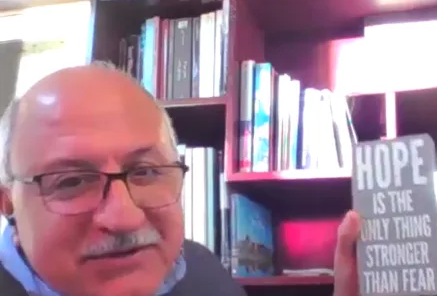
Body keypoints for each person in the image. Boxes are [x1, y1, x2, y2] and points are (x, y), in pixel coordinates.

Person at [0, 62, 362, 296]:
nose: (124, 217)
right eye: (72, 182)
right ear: (8, 203)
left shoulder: (201, 271)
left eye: (145, 172)